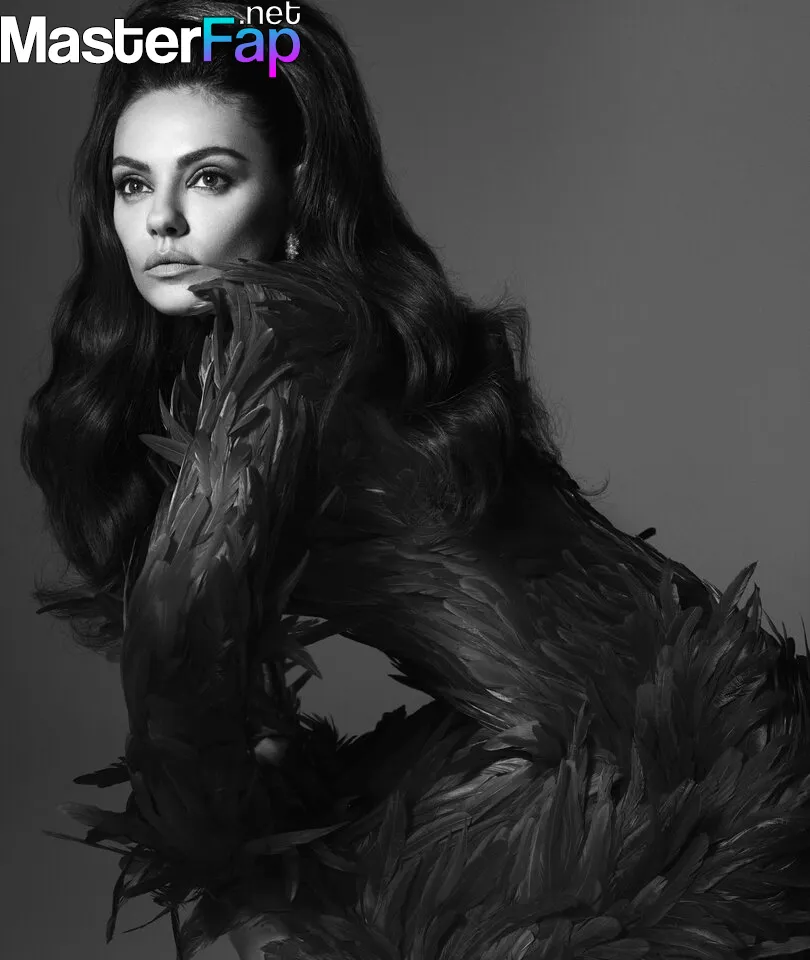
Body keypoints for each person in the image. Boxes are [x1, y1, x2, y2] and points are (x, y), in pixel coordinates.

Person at [19, 1, 810, 958]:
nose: (162, 219)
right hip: (716, 708)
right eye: (132, 183)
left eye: (211, 177)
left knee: (303, 891)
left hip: (660, 775)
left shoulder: (289, 360)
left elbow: (180, 656)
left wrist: (224, 831)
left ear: (297, 191)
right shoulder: (359, 331)